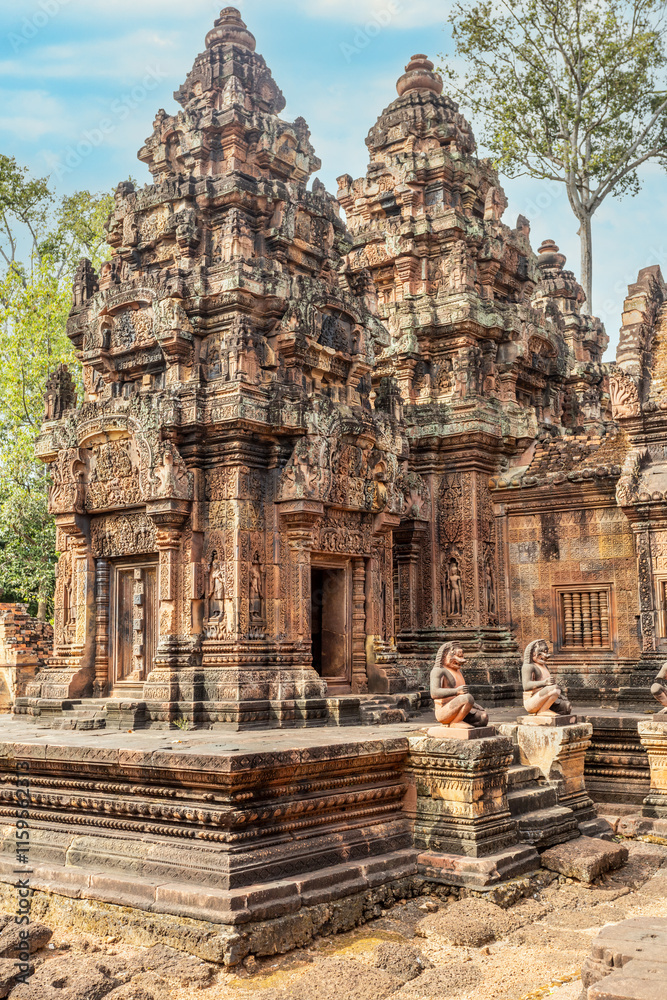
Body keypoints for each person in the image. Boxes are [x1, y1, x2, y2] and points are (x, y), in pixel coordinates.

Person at [430, 642, 488, 728]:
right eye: (457, 656)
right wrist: (456, 691)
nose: (461, 660)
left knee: (483, 717)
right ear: (444, 656)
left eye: (461, 656)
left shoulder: (457, 671)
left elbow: (462, 697)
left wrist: (473, 704)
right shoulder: (438, 670)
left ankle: (459, 720)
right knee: (468, 697)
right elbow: (434, 693)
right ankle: (456, 722)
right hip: (444, 711)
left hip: (459, 709)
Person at [522, 639, 572, 716]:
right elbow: (526, 685)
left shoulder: (544, 666)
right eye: (541, 653)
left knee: (567, 707)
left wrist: (560, 696)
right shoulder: (528, 667)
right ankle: (543, 711)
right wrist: (544, 683)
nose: (545, 655)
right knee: (555, 689)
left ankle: (546, 710)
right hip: (532, 701)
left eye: (546, 652)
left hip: (546, 700)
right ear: (532, 653)